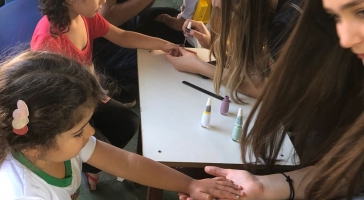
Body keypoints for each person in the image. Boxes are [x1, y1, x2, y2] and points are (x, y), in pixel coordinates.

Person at [0, 51, 244, 200]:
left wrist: (190, 184)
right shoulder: (26, 194)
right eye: (80, 131)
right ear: (36, 146)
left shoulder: (52, 146)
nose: (91, 132)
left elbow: (127, 162)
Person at [180, 0, 364, 199]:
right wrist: (263, 187)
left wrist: (201, 67)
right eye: (337, 17)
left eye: (361, 11)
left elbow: (273, 87)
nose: (344, 39)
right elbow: (344, 172)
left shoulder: (291, 19)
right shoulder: (283, 14)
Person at [30, 0, 176, 190]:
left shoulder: (84, 16)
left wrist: (164, 45)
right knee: (100, 149)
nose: (105, 1)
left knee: (127, 123)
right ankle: (84, 165)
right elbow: (49, 100)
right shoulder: (48, 41)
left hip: (87, 95)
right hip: (66, 111)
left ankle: (89, 166)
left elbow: (122, 35)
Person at [167, 0, 303, 102]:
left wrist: (198, 66)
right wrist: (214, 44)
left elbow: (271, 90)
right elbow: (270, 55)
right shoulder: (278, 7)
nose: (213, 4)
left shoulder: (290, 20)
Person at [134, 0, 203, 46]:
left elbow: (179, 25)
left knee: (142, 30)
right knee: (149, 14)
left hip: (189, 38)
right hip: (185, 18)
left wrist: (164, 18)